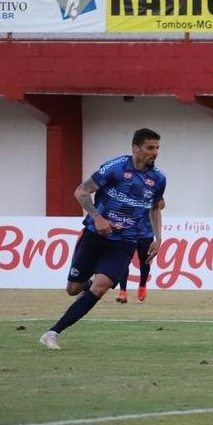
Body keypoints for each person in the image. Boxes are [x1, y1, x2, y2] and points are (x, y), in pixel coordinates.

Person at [39, 128, 166, 350]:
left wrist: (159, 237)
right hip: (95, 235)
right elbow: (81, 191)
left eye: (157, 148)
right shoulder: (115, 168)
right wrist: (97, 218)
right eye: (150, 147)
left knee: (102, 286)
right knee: (73, 290)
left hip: (125, 241)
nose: (155, 152)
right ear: (135, 148)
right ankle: (86, 285)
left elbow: (155, 208)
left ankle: (52, 333)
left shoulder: (158, 179)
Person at [116, 198, 164, 303]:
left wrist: (152, 203)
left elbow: (161, 205)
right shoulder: (127, 187)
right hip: (127, 231)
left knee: (145, 261)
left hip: (146, 232)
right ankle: (122, 291)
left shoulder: (152, 186)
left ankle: (142, 286)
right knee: (124, 261)